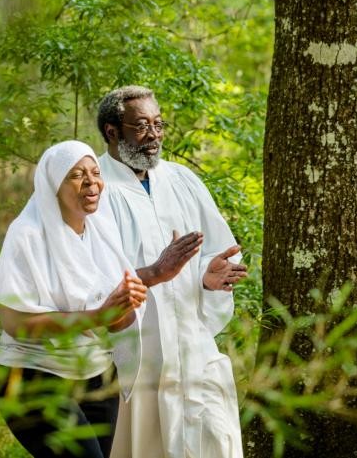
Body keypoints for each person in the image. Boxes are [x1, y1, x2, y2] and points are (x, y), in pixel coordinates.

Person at [96, 86, 248, 458]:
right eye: (142, 126)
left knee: (214, 438)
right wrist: (154, 272)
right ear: (112, 131)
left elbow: (213, 249)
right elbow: (89, 274)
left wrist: (208, 279)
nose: (155, 136)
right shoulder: (94, 185)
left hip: (192, 345)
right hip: (137, 356)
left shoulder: (181, 180)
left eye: (159, 124)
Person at [0, 140, 148, 458]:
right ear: (53, 185)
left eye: (95, 172)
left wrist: (125, 303)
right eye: (77, 175)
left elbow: (116, 323)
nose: (91, 182)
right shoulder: (27, 235)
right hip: (32, 378)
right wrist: (97, 316)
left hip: (95, 372)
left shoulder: (102, 232)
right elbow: (15, 322)